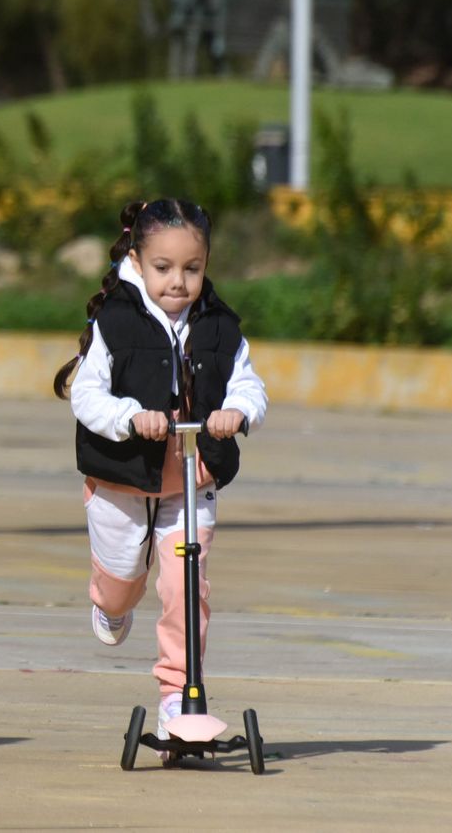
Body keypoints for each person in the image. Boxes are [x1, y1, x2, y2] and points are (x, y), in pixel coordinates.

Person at [52, 198, 268, 753]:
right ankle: (110, 601)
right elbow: (86, 393)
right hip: (124, 479)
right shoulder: (116, 321)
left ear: (206, 265)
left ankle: (179, 694)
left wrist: (238, 412)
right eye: (163, 268)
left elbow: (249, 384)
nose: (178, 282)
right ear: (138, 260)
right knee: (125, 579)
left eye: (191, 269)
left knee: (184, 584)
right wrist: (129, 417)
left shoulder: (220, 325)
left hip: (190, 482)